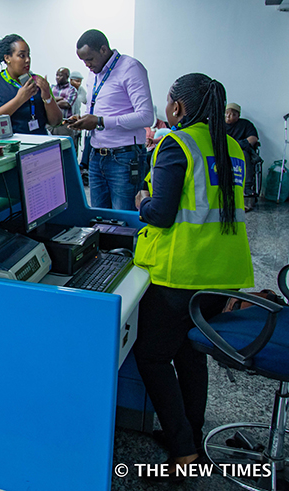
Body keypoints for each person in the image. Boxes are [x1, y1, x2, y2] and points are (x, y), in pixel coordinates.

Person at [133, 73, 253, 483]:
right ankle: (192, 435)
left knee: (151, 356)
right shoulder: (232, 145)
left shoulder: (177, 142)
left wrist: (143, 200)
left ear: (177, 108)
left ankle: (183, 450)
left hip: (180, 273)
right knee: (189, 353)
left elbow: (161, 213)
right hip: (224, 275)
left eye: (169, 101)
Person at [68, 29, 154, 211]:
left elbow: (146, 116)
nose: (87, 65)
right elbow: (102, 109)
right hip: (96, 155)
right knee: (99, 218)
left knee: (123, 223)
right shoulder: (94, 72)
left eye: (89, 59)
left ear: (103, 49)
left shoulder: (130, 68)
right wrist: (83, 119)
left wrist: (100, 121)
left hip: (124, 157)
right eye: (83, 61)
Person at [0, 34, 62, 136]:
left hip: (39, 145)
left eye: (28, 55)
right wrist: (19, 100)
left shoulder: (38, 81)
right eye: (22, 56)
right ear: (7, 58)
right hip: (8, 147)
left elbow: (56, 122)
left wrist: (47, 97)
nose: (27, 60)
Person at [224, 102, 260, 205]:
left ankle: (247, 187)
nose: (228, 116)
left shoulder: (245, 124)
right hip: (224, 150)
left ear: (238, 116)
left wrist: (237, 145)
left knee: (245, 154)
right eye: (226, 113)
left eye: (232, 114)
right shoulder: (219, 124)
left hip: (240, 150)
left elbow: (253, 138)